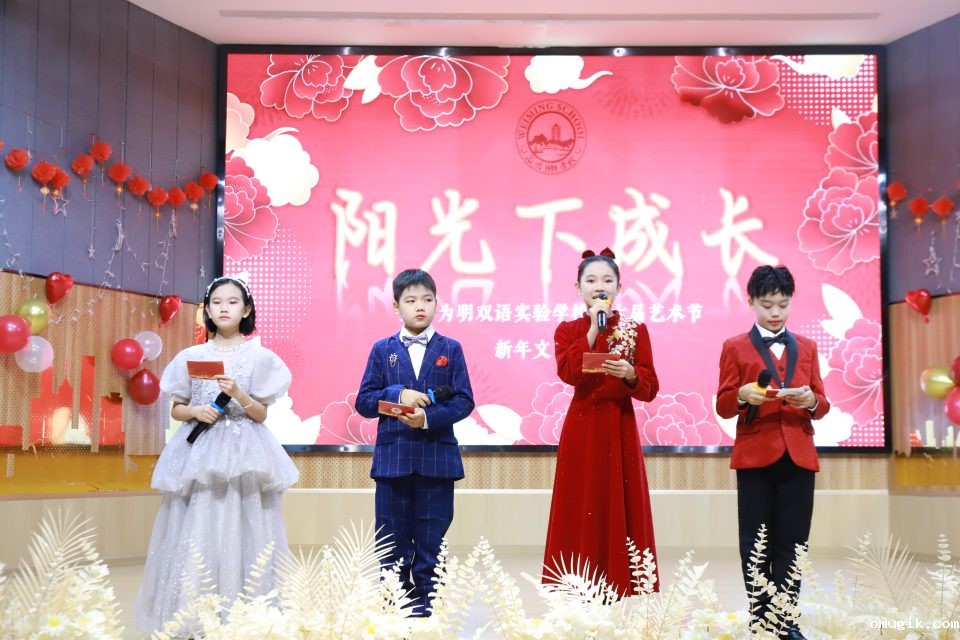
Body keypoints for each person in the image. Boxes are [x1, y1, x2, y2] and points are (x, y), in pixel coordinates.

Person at [134, 276, 297, 634]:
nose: (224, 308)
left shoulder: (260, 358)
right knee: (197, 524)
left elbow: (260, 414)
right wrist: (196, 411)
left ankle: (246, 615)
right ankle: (195, 615)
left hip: (245, 451)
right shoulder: (190, 356)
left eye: (232, 302)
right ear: (207, 310)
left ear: (247, 310)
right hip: (201, 450)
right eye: (217, 302)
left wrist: (238, 393)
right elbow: (177, 408)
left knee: (246, 524)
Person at [715, 265, 830, 640]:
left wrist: (811, 401)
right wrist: (742, 395)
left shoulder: (807, 347)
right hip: (755, 455)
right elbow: (723, 405)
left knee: (794, 542)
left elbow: (822, 402)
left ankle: (787, 619)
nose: (776, 312)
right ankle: (762, 618)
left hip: (799, 455)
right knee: (756, 541)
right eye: (767, 305)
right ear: (751, 302)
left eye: (783, 304)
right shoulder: (734, 346)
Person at [354, 268, 475, 616]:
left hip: (438, 460)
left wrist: (426, 418)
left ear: (437, 303)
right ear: (396, 306)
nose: (419, 306)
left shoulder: (451, 348)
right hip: (393, 461)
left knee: (431, 536)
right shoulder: (382, 349)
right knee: (391, 536)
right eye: (410, 300)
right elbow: (364, 402)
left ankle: (427, 600)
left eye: (427, 299)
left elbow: (464, 401)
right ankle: (395, 599)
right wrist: (398, 394)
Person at [542, 248, 660, 596]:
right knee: (581, 500)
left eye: (607, 280)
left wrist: (630, 374)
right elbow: (568, 373)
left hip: (619, 424)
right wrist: (594, 328)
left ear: (619, 287)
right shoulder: (568, 330)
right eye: (591, 280)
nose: (599, 287)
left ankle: (621, 581)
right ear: (577, 287)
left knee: (619, 499)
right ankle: (578, 581)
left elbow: (651, 387)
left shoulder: (635, 330)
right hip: (581, 425)